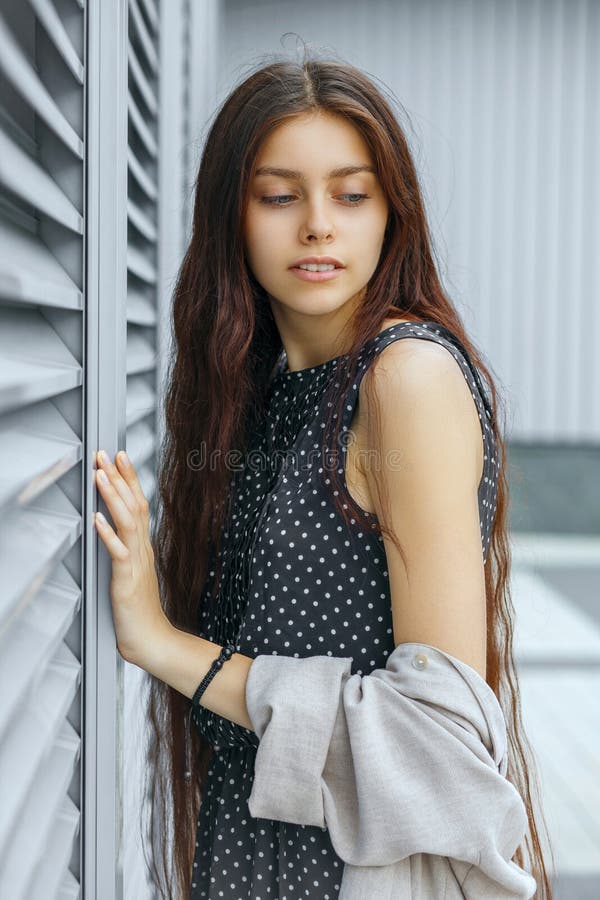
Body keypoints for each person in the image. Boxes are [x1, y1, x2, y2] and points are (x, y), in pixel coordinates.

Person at [93, 50, 555, 899]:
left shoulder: (403, 378)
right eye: (279, 195)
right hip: (251, 859)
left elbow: (437, 740)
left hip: (348, 873)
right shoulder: (257, 391)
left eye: (352, 194)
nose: (317, 225)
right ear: (231, 216)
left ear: (392, 215)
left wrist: (164, 646)